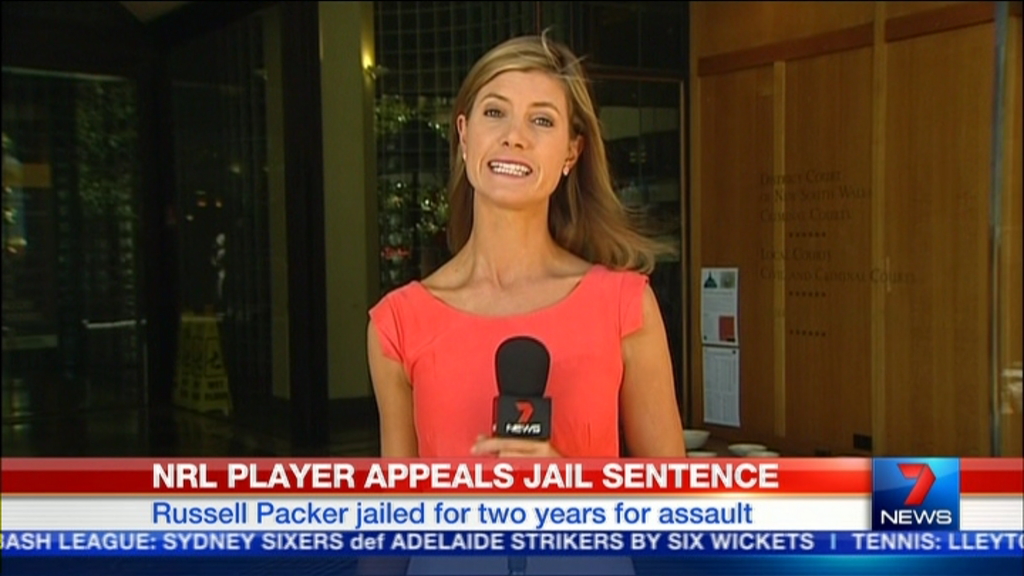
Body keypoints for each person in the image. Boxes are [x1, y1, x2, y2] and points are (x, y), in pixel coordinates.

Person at [364, 32, 685, 575]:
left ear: (571, 153)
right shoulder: (398, 322)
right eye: (495, 112)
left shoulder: (624, 305)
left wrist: (571, 492)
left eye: (541, 120)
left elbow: (677, 509)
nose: (514, 136)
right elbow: (394, 525)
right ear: (464, 135)